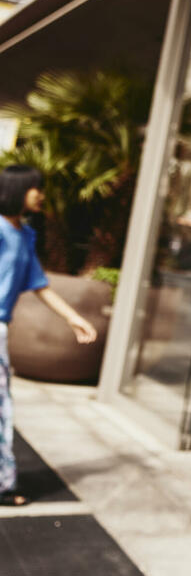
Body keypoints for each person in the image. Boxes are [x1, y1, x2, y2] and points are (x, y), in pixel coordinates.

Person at [0, 165, 98, 506]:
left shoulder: (25, 234)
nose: (40, 194)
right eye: (34, 188)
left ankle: (3, 483)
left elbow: (39, 284)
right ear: (16, 189)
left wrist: (74, 319)